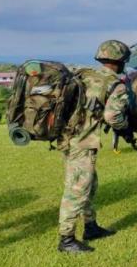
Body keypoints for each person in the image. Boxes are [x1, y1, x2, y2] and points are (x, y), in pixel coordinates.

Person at [56, 40, 131, 253]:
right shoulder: (114, 84)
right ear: (121, 61)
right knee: (77, 189)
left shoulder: (82, 75)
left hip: (68, 138)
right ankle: (66, 239)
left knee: (90, 184)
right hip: (82, 142)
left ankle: (90, 226)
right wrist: (124, 126)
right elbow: (112, 116)